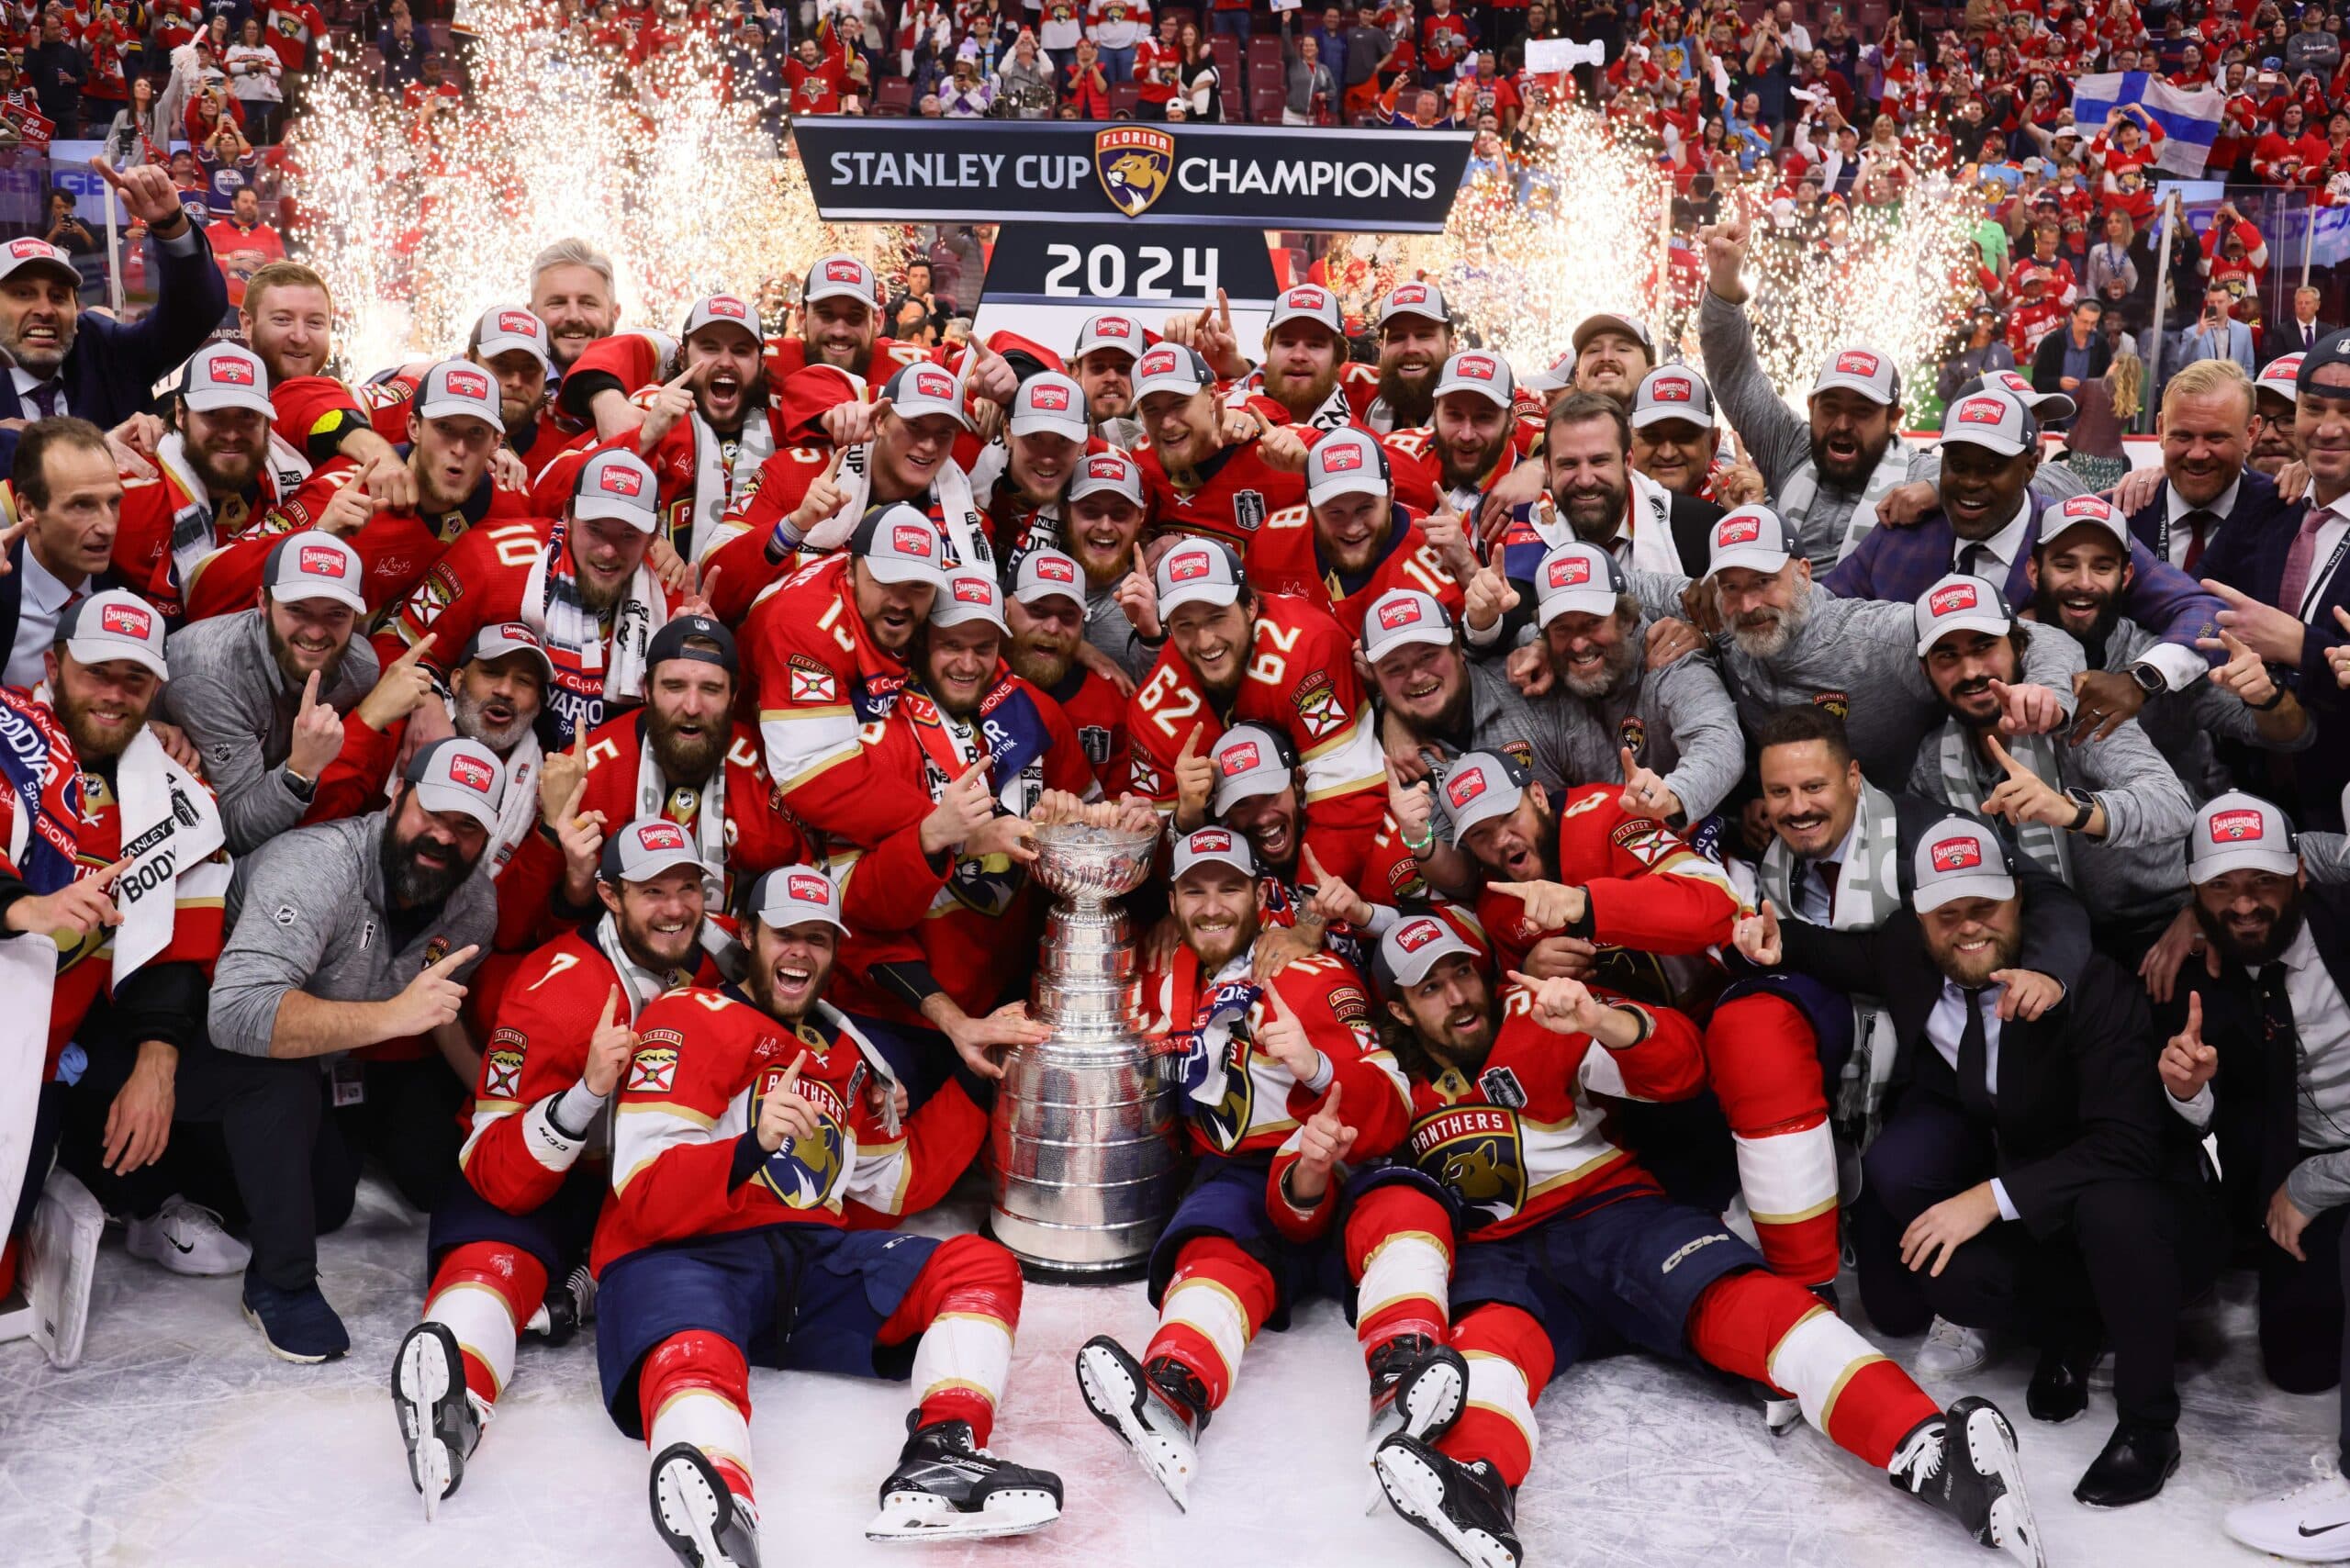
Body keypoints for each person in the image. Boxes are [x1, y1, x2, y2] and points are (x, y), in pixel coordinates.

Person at [1362, 916, 2049, 1568]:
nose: (1458, 997)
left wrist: (1601, 1020)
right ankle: (1479, 1485)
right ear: (1398, 1011)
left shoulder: (1539, 1013)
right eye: (1430, 988)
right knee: (1486, 1354)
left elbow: (1680, 1068)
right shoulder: (1388, 1084)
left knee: (1758, 1305)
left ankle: (1930, 1450)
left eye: (1462, 974)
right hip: (1505, 1256)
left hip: (1615, 1217)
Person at [1745, 812, 2227, 1506]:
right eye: (1948, 914)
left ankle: (2150, 1425)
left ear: (2018, 900)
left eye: (1986, 907)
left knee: (2109, 1207)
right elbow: (1838, 955)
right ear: (1919, 920)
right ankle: (2073, 1329)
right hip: (2045, 1201)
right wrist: (1774, 941)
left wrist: (1986, 1199)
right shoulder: (1907, 957)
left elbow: (2127, 1147)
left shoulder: (2087, 985)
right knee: (1947, 1275)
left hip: (2148, 1207)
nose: (1970, 927)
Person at [591, 866, 1066, 1561]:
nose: (801, 953)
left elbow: (896, 1188)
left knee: (977, 1264)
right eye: (785, 934)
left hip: (802, 1265)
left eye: (818, 939)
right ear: (748, 935)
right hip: (684, 1253)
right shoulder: (686, 1016)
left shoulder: (846, 1060)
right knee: (695, 1349)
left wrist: (975, 1071)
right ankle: (721, 1506)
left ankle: (943, 1454)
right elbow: (647, 1191)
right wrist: (752, 1144)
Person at [1074, 827, 1420, 1509]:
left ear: (1260, 896)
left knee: (1405, 1206)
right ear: (1171, 902)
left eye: (1228, 888)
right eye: (1194, 891)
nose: (1212, 907)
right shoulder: (1158, 970)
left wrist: (1316, 1068)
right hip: (1240, 1179)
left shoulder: (1305, 971)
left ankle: (1408, 1380)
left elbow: (1395, 1099)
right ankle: (1173, 1393)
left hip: (1339, 1157)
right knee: (1212, 1234)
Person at [391, 816, 722, 1518]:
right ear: (609, 895)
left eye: (687, 888)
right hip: (529, 1170)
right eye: (652, 891)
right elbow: (494, 1165)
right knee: (493, 1255)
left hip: (627, 1188)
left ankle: (578, 1293)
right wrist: (586, 1094)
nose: (674, 908)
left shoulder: (708, 963)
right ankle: (453, 1394)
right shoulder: (558, 991)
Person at [200, 737, 508, 1360]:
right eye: (433, 812)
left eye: (467, 826)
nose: (445, 837)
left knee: (355, 1192)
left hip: (335, 1062)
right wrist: (392, 1017)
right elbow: (236, 1013)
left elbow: (438, 1014)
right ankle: (280, 1284)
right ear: (399, 795)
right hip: (196, 1050)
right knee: (279, 1080)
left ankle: (201, 1188)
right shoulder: (317, 865)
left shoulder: (474, 903)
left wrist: (499, 1104)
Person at [6, 591, 240, 1322]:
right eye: (95, 672)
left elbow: (180, 944)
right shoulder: (7, 734)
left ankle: (104, 1187)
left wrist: (156, 1065)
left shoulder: (183, 795)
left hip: (47, 1049)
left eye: (133, 680)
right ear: (52, 663)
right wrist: (20, 908)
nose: (113, 695)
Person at [1904, 570, 2196, 957]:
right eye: (1948, 657)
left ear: (2019, 648)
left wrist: (2070, 810)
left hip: (2158, 921)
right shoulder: (1931, 762)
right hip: (2044, 937)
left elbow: (2174, 807)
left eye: (1983, 646)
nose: (1971, 672)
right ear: (1926, 671)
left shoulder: (2080, 714)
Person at [161, 531, 441, 855]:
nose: (316, 632)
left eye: (336, 613)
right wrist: (300, 771)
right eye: (298, 610)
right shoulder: (211, 675)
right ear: (263, 602)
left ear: (356, 615)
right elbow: (232, 834)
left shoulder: (359, 668)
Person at [1125, 539, 1385, 885]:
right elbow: (1152, 867)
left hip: (1338, 866)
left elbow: (1350, 799)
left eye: (1217, 617)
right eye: (1185, 625)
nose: (1205, 641)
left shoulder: (1309, 645)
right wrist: (1187, 819)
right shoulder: (1152, 711)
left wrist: (1308, 919)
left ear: (1250, 606)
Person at [378, 448, 666, 748]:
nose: (609, 550)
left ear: (654, 535)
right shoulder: (489, 562)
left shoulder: (664, 596)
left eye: (629, 535)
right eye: (595, 528)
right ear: (568, 514)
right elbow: (395, 639)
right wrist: (427, 701)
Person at [0, 162, 229, 472]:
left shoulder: (104, 351)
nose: (44, 309)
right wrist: (85, 449)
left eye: (58, 297)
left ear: (77, 314)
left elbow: (193, 314)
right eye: (23, 294)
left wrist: (170, 224)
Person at [3, 419, 134, 689]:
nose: (108, 527)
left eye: (113, 502)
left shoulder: (132, 579)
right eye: (82, 505)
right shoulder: (4, 588)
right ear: (27, 508)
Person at [528, 238, 622, 384]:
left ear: (614, 314)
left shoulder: (647, 386)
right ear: (531, 315)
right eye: (557, 303)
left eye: (588, 303)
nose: (574, 316)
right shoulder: (500, 392)